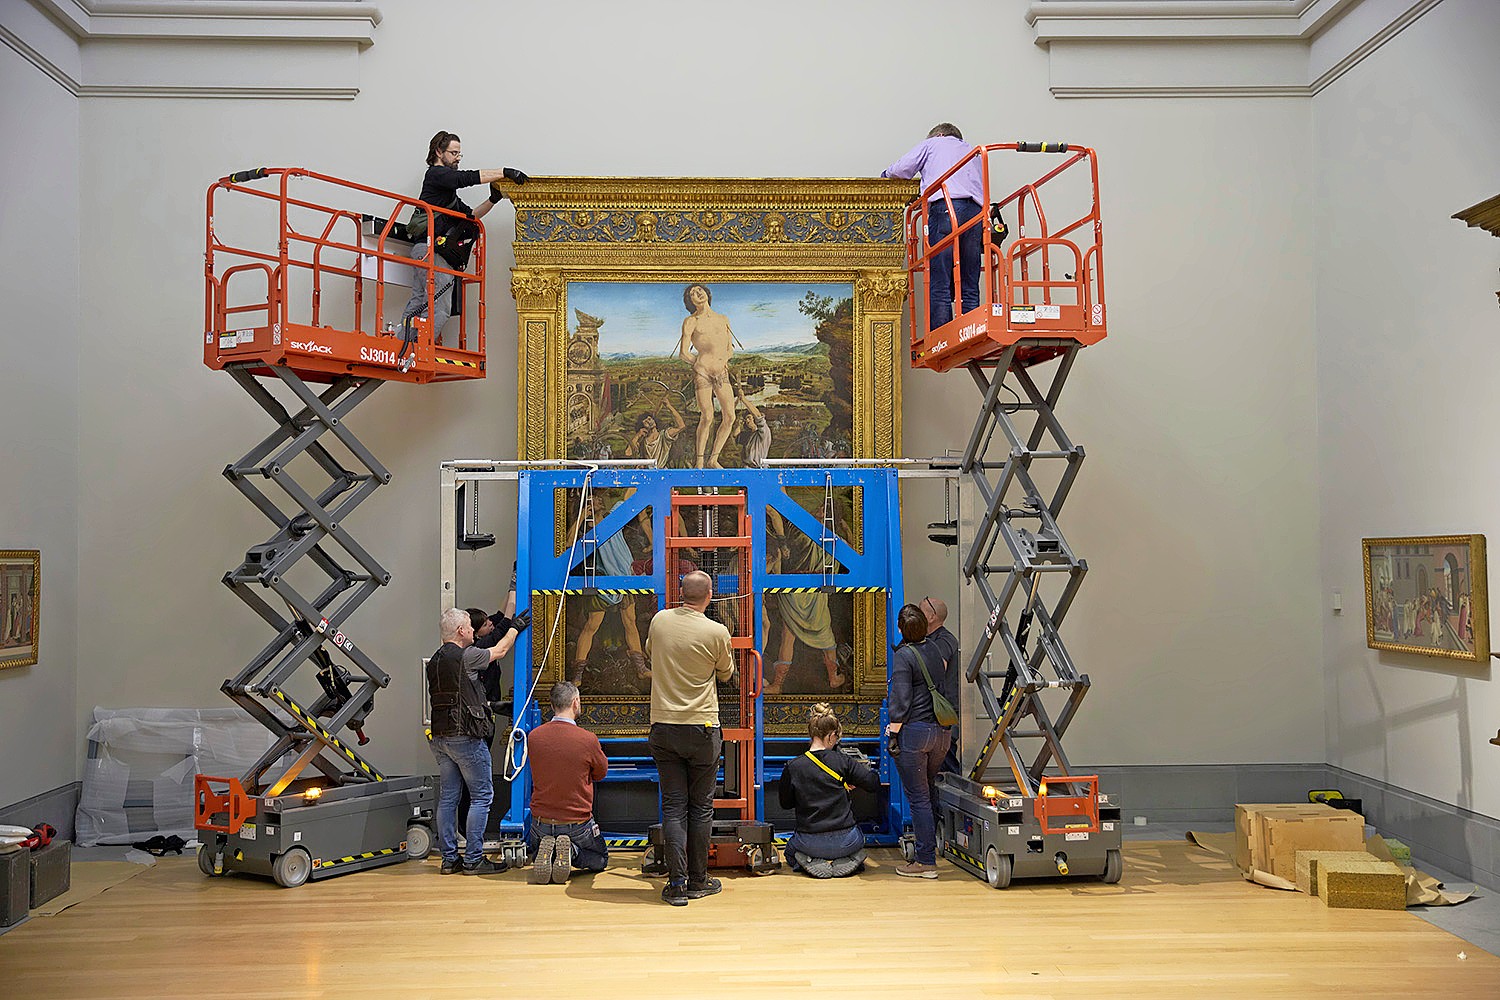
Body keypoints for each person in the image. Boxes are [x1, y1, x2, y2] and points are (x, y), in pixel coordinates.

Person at [645, 570, 737, 905]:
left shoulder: (659, 621)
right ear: (710, 596)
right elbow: (726, 673)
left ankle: (676, 885)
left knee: (673, 807)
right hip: (703, 729)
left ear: (680, 592)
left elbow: (650, 653)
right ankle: (699, 881)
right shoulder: (717, 631)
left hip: (664, 727)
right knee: (701, 808)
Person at [401, 130, 528, 345]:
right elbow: (464, 178)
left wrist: (493, 199)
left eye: (460, 154)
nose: (458, 158)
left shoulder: (447, 196)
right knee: (440, 306)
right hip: (430, 250)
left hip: (427, 251)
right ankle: (418, 348)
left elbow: (471, 217)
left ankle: (400, 345)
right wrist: (504, 172)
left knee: (421, 300)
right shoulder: (435, 175)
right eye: (454, 153)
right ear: (438, 152)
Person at [427, 606, 524, 875]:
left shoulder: (435, 660)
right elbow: (500, 651)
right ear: (461, 631)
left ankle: (449, 859)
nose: (473, 630)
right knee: (482, 796)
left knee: (448, 798)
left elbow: (458, 696)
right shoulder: (466, 656)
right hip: (466, 738)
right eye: (470, 626)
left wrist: (488, 705)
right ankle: (473, 859)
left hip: (441, 737)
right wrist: (515, 627)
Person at [882, 123, 983, 332]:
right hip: (975, 212)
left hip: (946, 208)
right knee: (969, 279)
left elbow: (901, 169)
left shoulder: (933, 143)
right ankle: (971, 330)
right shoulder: (974, 152)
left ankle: (942, 335)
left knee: (940, 276)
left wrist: (885, 175)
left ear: (939, 134)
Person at [886, 603, 957, 878]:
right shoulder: (935, 649)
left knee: (918, 799)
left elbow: (900, 700)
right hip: (941, 734)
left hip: (915, 734)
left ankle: (926, 861)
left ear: (901, 628)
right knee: (927, 792)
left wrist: (893, 734)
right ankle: (933, 847)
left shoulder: (904, 656)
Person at [777, 702, 879, 878]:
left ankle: (808, 860)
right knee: (859, 839)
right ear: (831, 736)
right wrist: (849, 782)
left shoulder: (793, 766)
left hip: (809, 842)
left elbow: (785, 804)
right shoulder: (843, 761)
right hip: (847, 841)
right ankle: (851, 858)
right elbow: (872, 783)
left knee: (790, 852)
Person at [526, 681, 610, 884]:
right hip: (576, 824)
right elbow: (601, 773)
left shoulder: (534, 737)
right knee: (601, 859)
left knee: (535, 850)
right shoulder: (587, 739)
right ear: (575, 702)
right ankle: (571, 852)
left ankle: (547, 851)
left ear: (552, 705)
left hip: (541, 823)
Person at [568, 494, 647, 682]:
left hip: (625, 576)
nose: (599, 500)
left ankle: (641, 669)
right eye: (593, 498)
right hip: (604, 579)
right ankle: (578, 675)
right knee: (592, 625)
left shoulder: (614, 517)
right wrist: (581, 518)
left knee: (630, 621)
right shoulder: (587, 530)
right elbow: (569, 545)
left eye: (599, 498)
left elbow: (630, 495)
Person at [678, 284, 737, 468]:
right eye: (693, 294)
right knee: (707, 417)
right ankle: (699, 462)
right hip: (703, 373)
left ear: (706, 293)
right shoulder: (690, 321)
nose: (698, 294)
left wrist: (723, 360)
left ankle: (713, 459)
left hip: (721, 372)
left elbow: (730, 349)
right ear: (690, 301)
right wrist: (699, 365)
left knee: (730, 417)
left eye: (699, 290)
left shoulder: (723, 319)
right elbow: (683, 353)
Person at [921, 596, 963, 774]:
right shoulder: (927, 639)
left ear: (932, 617)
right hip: (934, 716)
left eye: (920, 611)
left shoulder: (945, 640)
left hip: (944, 715)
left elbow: (937, 668)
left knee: (945, 766)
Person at [626, 394, 687, 468]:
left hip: (661, 471)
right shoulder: (643, 441)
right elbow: (628, 453)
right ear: (642, 426)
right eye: (646, 421)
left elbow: (681, 426)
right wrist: (637, 435)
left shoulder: (664, 436)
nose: (649, 421)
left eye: (649, 419)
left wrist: (669, 406)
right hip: (647, 472)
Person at [734, 385, 772, 469]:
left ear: (755, 419)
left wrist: (743, 399)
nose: (747, 421)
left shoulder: (764, 433)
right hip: (746, 468)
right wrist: (739, 424)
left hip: (757, 469)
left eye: (749, 418)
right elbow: (735, 435)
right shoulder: (749, 434)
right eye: (746, 419)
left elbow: (758, 415)